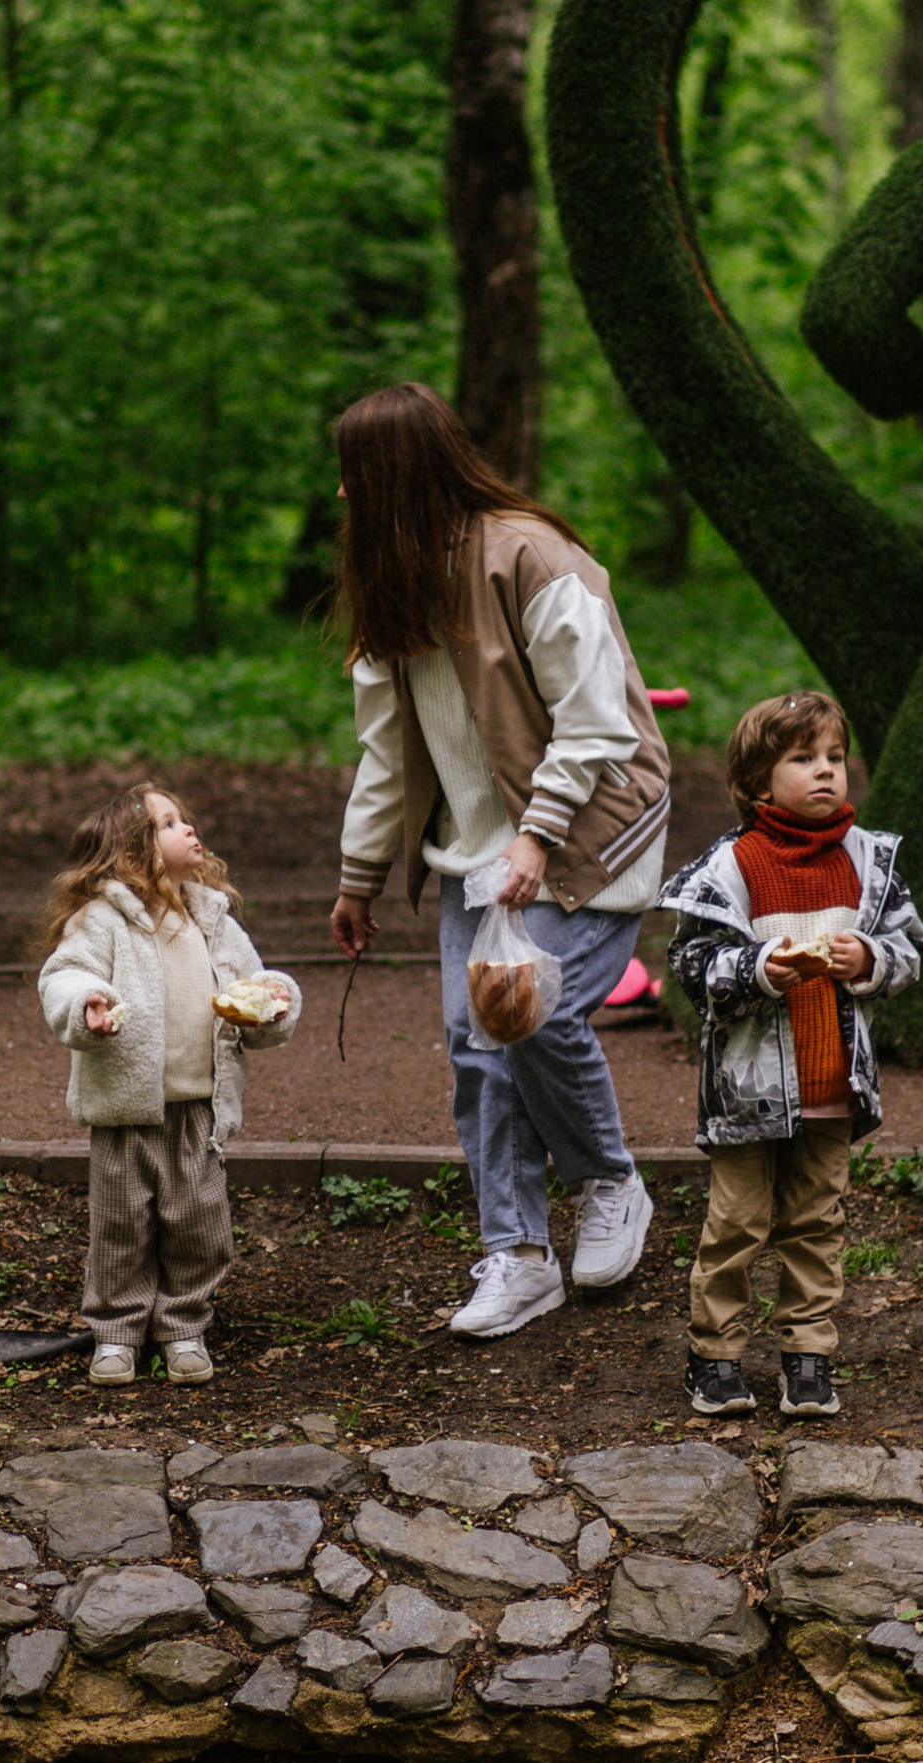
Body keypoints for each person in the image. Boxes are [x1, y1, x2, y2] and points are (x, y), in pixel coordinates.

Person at [328, 383, 673, 1341]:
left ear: (398, 477)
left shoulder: (533, 557)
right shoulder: (393, 590)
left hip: (594, 832)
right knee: (479, 1052)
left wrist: (538, 832)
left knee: (538, 1016)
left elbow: (598, 721)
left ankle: (610, 1182)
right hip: (478, 856)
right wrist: (360, 876)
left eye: (356, 478)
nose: (344, 500)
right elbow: (387, 753)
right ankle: (517, 1256)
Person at [664, 691, 923, 1417]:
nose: (825, 773)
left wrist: (869, 957)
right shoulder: (730, 869)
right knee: (738, 1223)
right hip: (748, 1090)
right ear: (756, 784)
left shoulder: (868, 863)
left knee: (817, 1221)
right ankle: (714, 1355)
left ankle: (808, 1353)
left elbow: (910, 951)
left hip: (832, 1085)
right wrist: (754, 970)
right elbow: (689, 964)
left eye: (835, 758)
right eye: (802, 759)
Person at [38, 782, 300, 1386]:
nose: (189, 830)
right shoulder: (101, 919)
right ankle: (116, 1331)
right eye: (169, 824)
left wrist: (274, 999)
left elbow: (252, 981)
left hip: (199, 1108)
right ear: (132, 853)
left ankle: (183, 1324)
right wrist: (88, 1005)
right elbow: (64, 975)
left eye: (186, 820)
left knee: (199, 1224)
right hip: (127, 1110)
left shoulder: (211, 917)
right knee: (121, 1227)